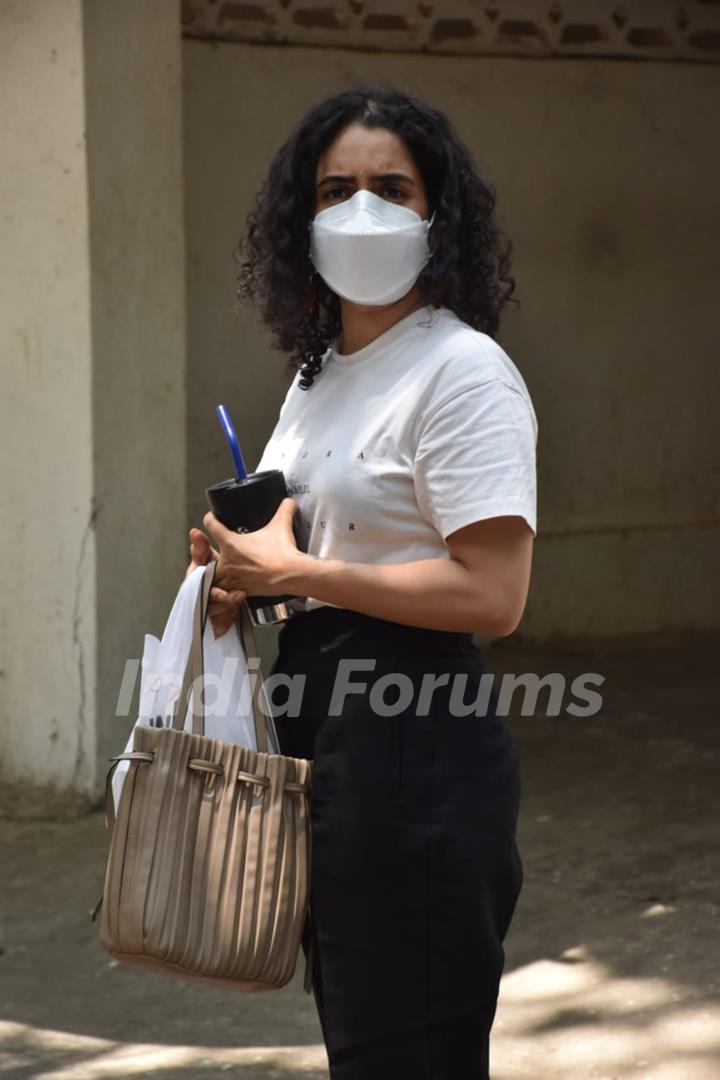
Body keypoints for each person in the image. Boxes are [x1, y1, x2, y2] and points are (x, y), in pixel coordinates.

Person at [187, 85, 537, 1080]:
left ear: (440, 215)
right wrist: (243, 578)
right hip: (325, 721)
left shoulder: (462, 372)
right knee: (364, 1032)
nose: (363, 209)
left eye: (393, 186)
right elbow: (321, 549)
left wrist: (304, 572)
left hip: (415, 735)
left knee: (407, 1040)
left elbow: (493, 596)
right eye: (336, 188)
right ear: (301, 220)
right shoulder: (319, 374)